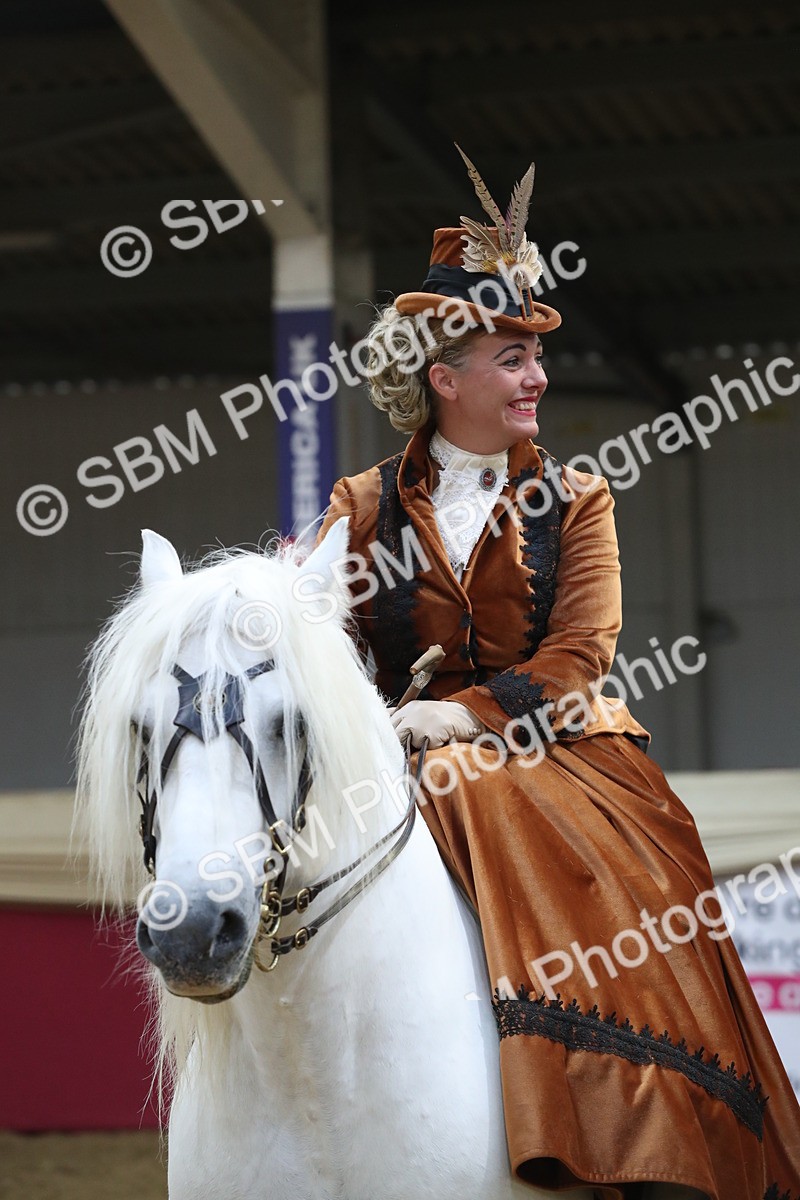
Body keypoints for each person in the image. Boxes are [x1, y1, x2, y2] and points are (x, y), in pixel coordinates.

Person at [316, 150, 800, 1200]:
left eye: (536, 356)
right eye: (511, 358)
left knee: (634, 873)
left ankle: (657, 1117)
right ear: (444, 379)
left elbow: (579, 660)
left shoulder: (578, 498)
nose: (537, 377)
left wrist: (459, 718)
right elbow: (318, 640)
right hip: (386, 746)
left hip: (559, 748)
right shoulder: (359, 506)